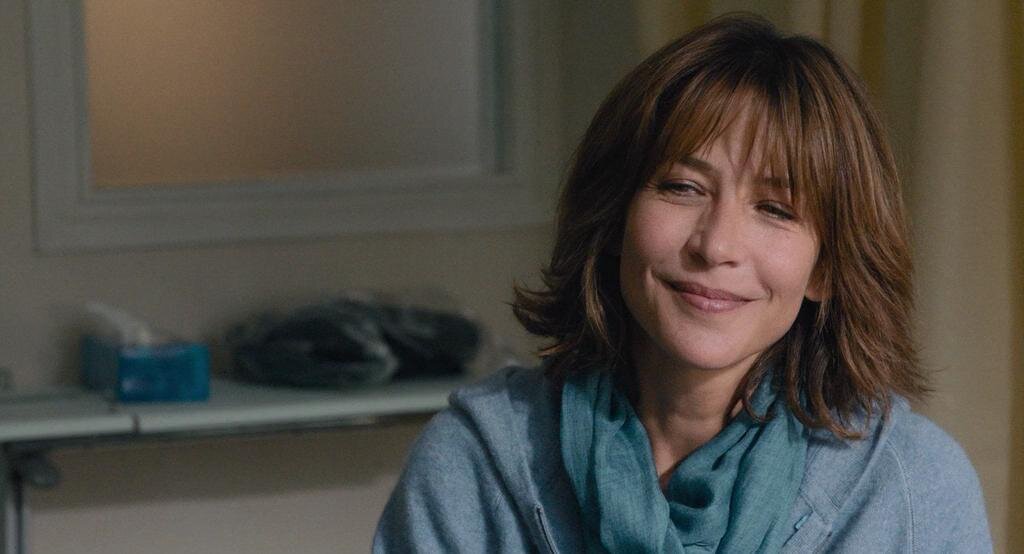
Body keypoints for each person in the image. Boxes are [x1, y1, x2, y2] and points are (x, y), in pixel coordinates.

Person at [373, 14, 992, 553]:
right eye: (682, 187)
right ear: (614, 215)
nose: (716, 245)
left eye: (775, 209)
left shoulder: (910, 486)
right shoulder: (475, 461)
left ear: (826, 268)